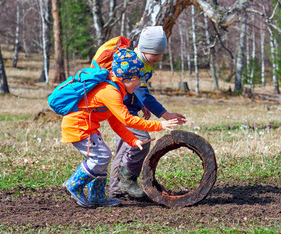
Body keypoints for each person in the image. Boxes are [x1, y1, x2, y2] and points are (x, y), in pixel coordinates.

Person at [62, 48, 183, 208]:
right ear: (127, 78)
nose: (139, 83)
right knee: (101, 156)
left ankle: (97, 196)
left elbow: (116, 122)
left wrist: (132, 140)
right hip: (78, 127)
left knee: (103, 157)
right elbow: (127, 119)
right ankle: (73, 184)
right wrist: (159, 125)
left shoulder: (116, 89)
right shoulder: (110, 92)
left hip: (87, 127)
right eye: (137, 79)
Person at [108, 26, 187, 199]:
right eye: (156, 54)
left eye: (161, 54)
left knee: (124, 148)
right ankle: (127, 181)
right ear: (144, 49)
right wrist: (165, 115)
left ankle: (116, 189)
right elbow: (143, 93)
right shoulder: (136, 62)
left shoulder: (144, 61)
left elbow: (138, 91)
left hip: (126, 108)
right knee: (141, 140)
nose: (159, 58)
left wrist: (139, 104)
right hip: (121, 111)